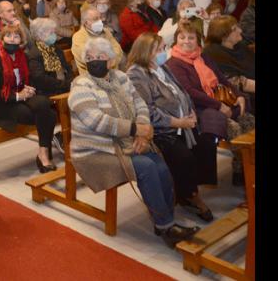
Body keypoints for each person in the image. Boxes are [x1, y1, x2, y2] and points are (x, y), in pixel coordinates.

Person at [69, 37, 200, 248]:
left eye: (100, 57)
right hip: (96, 150)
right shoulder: (81, 86)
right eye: (90, 58)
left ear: (111, 61)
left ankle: (165, 220)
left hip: (127, 142)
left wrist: (142, 132)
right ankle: (166, 226)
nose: (95, 61)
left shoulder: (121, 78)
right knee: (147, 167)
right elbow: (98, 122)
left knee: (159, 163)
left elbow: (140, 104)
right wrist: (135, 129)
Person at [127, 33, 217, 222]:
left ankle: (187, 190)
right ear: (145, 52)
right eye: (159, 50)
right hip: (161, 130)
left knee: (207, 142)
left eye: (163, 48)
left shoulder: (162, 67)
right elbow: (146, 109)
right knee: (183, 156)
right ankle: (192, 196)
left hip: (183, 122)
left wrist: (191, 112)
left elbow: (182, 92)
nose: (164, 53)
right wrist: (177, 122)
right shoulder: (136, 74)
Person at [165, 21, 255, 186]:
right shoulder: (174, 63)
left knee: (249, 121)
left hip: (219, 101)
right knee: (234, 128)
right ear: (176, 39)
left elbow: (221, 79)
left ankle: (245, 169)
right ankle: (243, 173)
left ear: (197, 40)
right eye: (182, 37)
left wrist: (239, 95)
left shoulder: (203, 56)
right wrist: (219, 106)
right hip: (200, 109)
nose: (186, 41)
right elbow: (190, 92)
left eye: (191, 38)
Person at [0, 23, 58, 173]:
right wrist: (17, 96)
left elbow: (28, 79)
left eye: (16, 36)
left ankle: (43, 152)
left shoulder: (23, 56)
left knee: (45, 104)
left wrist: (29, 88)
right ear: (2, 38)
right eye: (8, 35)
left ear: (21, 40)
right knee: (47, 115)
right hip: (1, 104)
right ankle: (45, 154)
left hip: (21, 95)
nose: (12, 39)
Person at [203, 15, 255, 112]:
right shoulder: (213, 53)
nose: (240, 30)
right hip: (241, 98)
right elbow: (236, 83)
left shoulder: (240, 46)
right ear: (224, 36)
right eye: (235, 29)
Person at [26, 18, 73, 97]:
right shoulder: (34, 54)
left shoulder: (56, 49)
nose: (54, 35)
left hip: (64, 86)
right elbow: (41, 79)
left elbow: (67, 68)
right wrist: (65, 85)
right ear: (39, 35)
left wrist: (70, 81)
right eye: (51, 33)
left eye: (53, 32)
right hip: (48, 91)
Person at [71, 6, 123, 76]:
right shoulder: (78, 37)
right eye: (96, 19)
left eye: (100, 17)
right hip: (91, 77)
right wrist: (109, 58)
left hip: (112, 73)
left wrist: (108, 61)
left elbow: (118, 50)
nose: (100, 21)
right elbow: (90, 60)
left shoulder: (106, 32)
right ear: (86, 22)